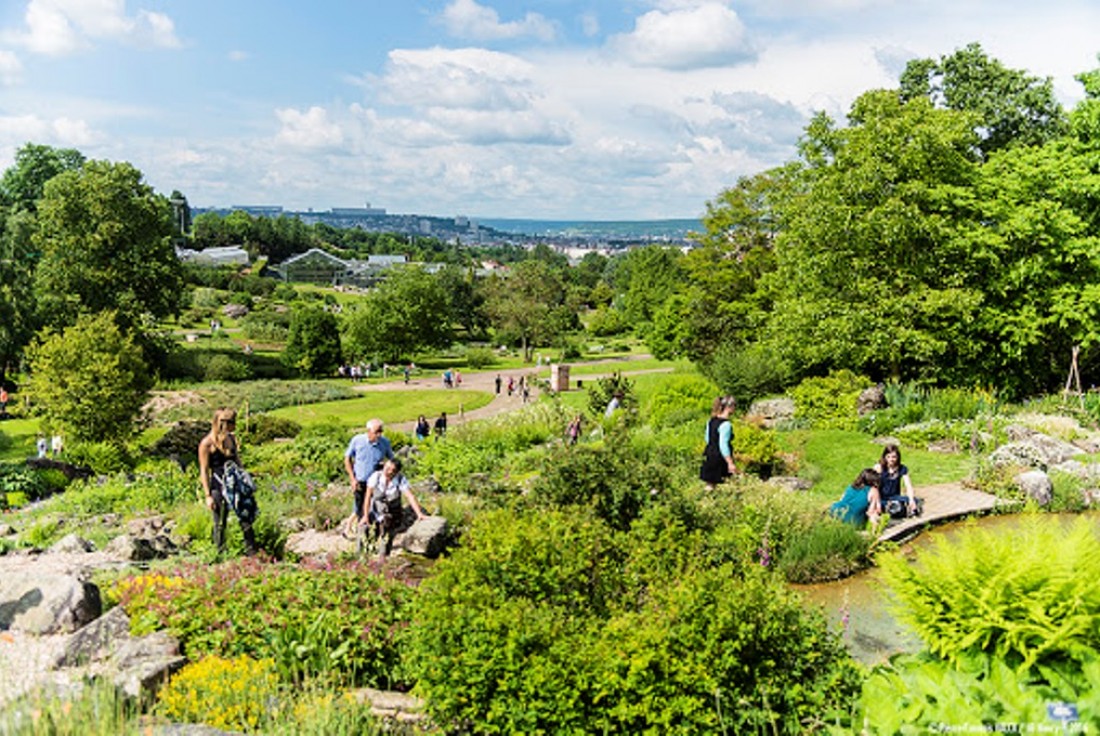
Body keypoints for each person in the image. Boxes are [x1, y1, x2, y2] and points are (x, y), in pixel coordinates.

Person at [198, 408, 257, 555]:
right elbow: (204, 471)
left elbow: (237, 461)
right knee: (220, 522)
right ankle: (220, 553)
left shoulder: (231, 439)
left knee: (245, 517)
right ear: (223, 423)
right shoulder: (207, 444)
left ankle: (252, 553)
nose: (235, 426)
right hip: (218, 485)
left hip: (235, 485)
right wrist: (207, 495)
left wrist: (245, 479)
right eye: (232, 423)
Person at [363, 457, 426, 557]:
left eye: (391, 470)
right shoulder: (376, 476)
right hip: (376, 510)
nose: (387, 471)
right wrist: (365, 516)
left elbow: (410, 496)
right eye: (386, 467)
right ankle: (364, 556)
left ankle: (383, 558)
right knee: (366, 533)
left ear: (396, 472)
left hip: (392, 514)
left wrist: (419, 514)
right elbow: (367, 497)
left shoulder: (400, 479)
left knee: (387, 538)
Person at [343, 418, 394, 535]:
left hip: (375, 482)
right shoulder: (357, 440)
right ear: (369, 431)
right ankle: (353, 529)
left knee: (372, 506)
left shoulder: (384, 443)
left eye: (381, 431)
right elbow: (347, 458)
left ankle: (362, 530)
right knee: (359, 505)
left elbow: (392, 460)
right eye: (376, 432)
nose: (379, 435)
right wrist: (352, 478)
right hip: (360, 480)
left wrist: (387, 470)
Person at [699, 396, 736, 489]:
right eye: (734, 406)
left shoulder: (711, 421)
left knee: (710, 484)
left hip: (709, 454)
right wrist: (730, 462)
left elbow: (707, 439)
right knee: (725, 483)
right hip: (719, 458)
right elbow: (723, 445)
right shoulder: (726, 425)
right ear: (729, 407)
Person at [873, 443, 917, 518]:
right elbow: (873, 487)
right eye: (888, 457)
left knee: (914, 500)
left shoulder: (902, 468)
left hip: (894, 497)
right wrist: (876, 502)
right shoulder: (879, 467)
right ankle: (896, 509)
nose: (891, 459)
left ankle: (897, 509)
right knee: (891, 506)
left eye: (894, 457)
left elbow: (908, 485)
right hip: (881, 497)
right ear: (884, 457)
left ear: (898, 457)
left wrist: (911, 500)